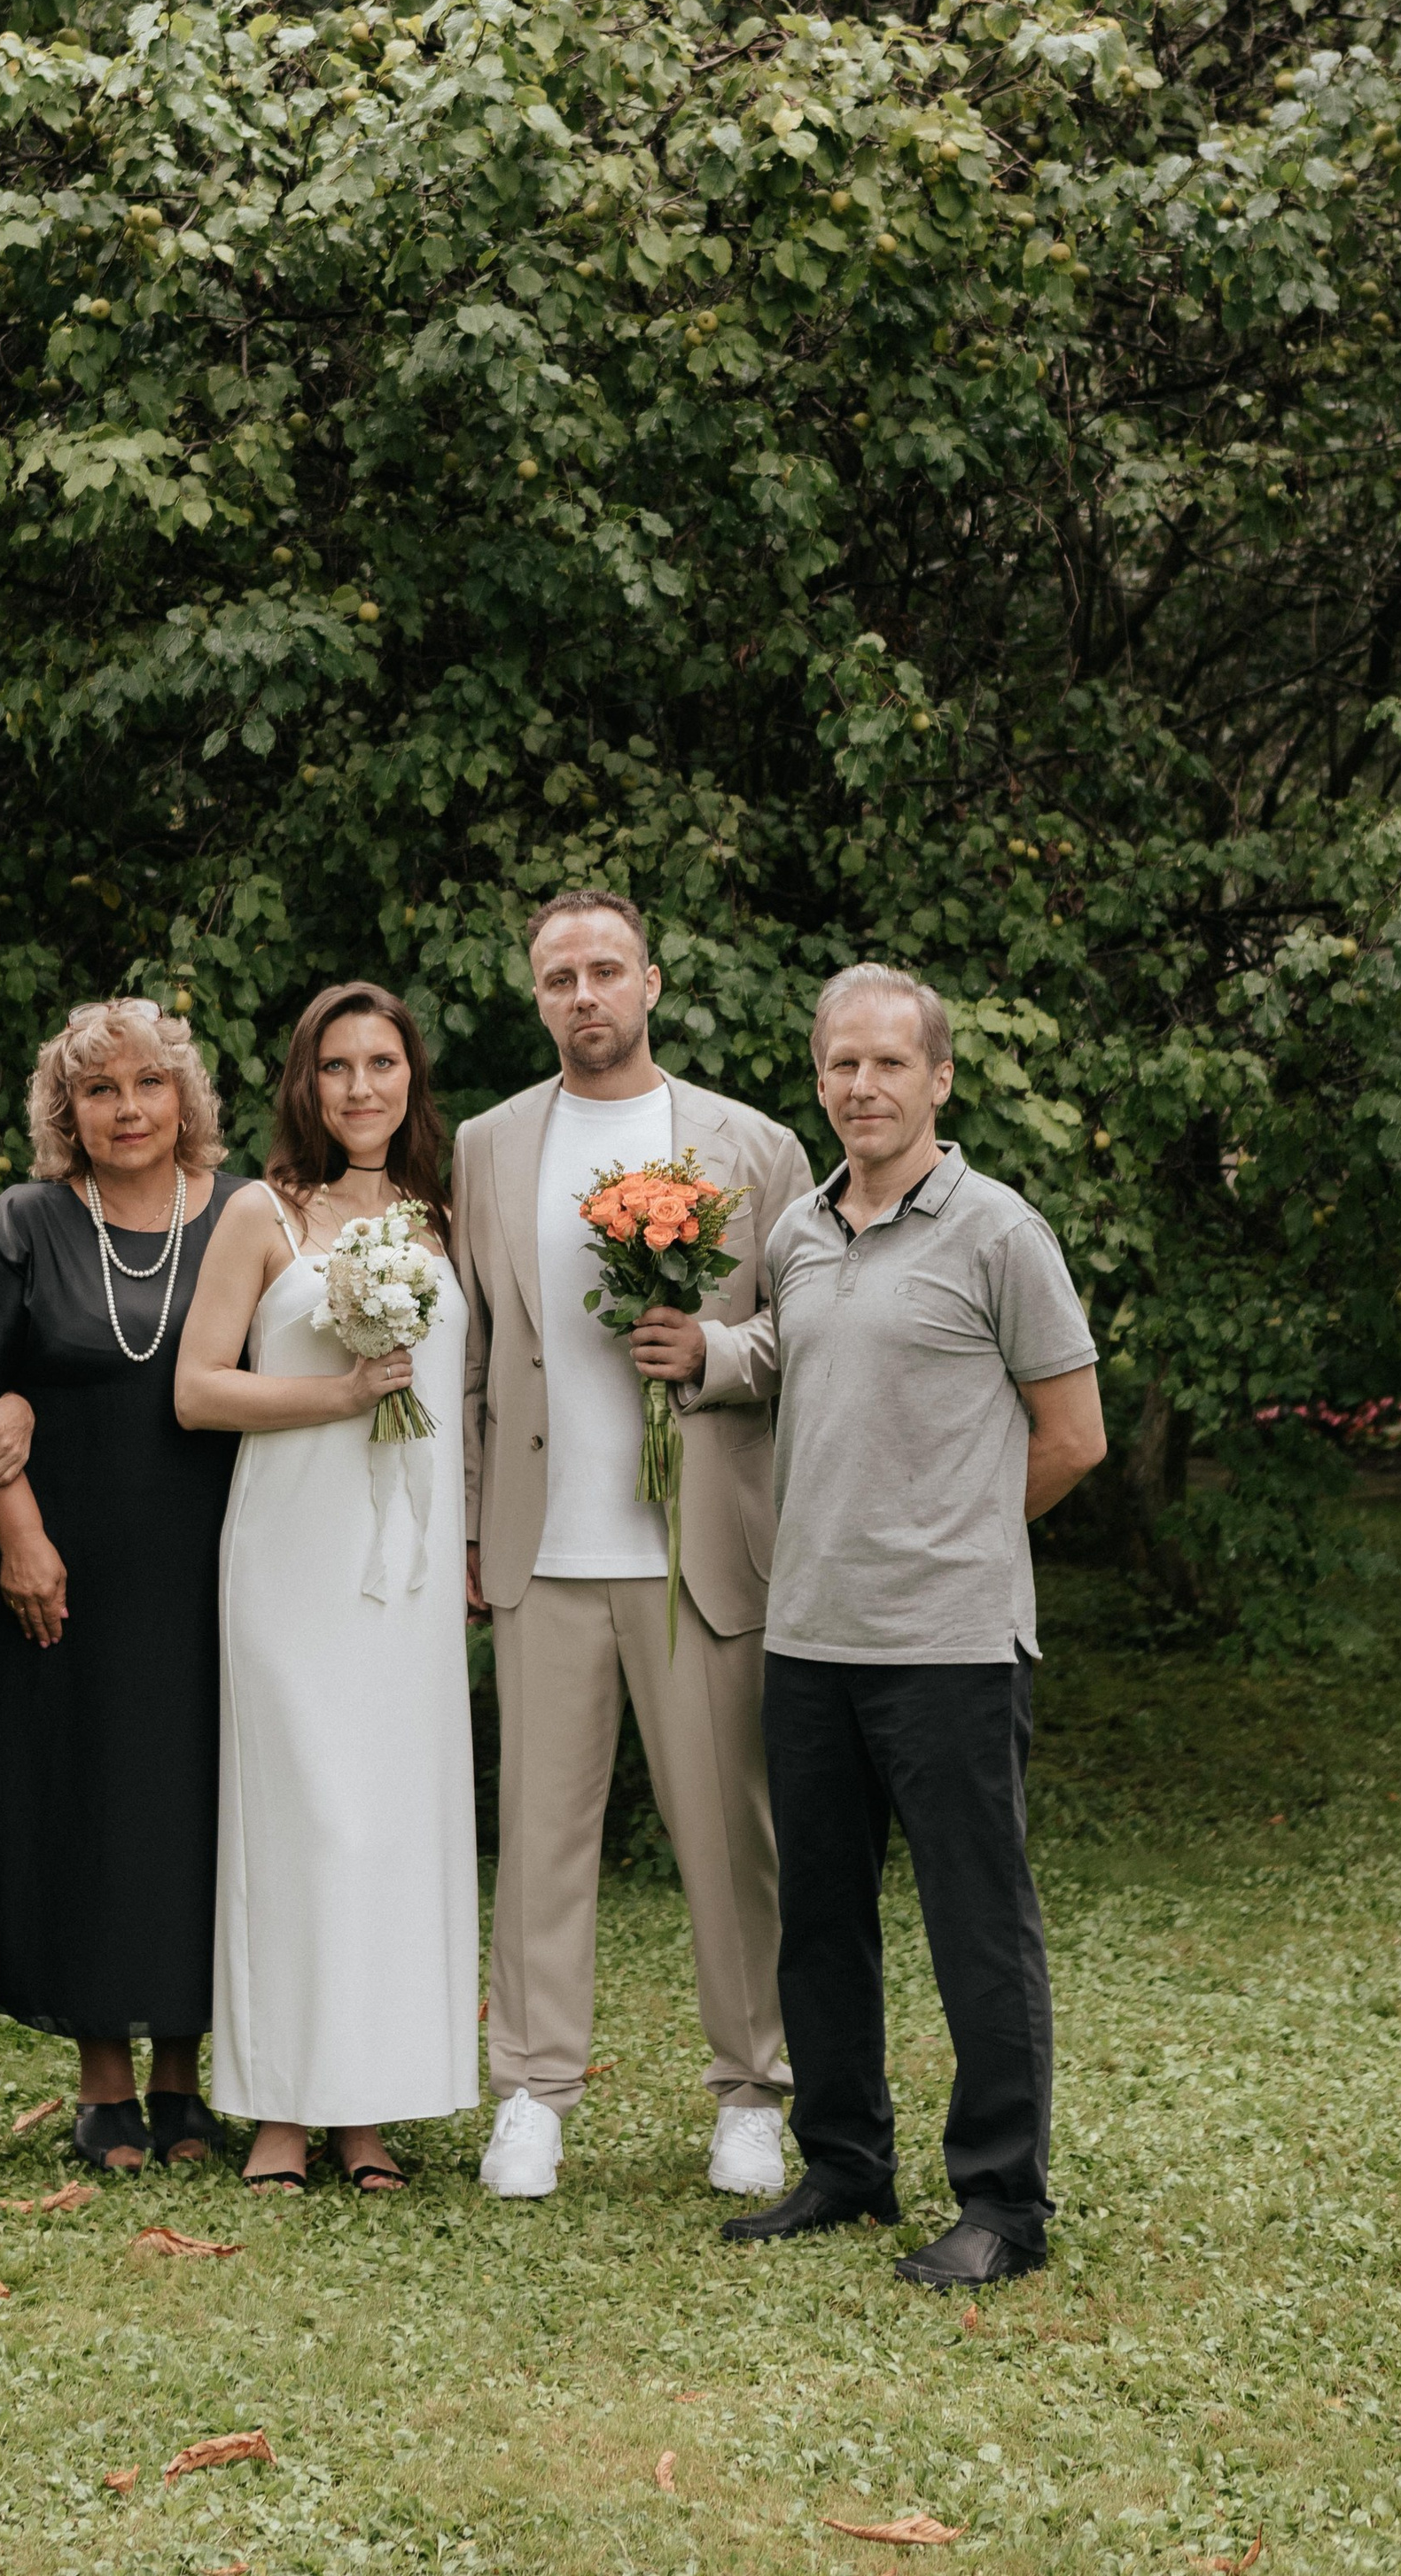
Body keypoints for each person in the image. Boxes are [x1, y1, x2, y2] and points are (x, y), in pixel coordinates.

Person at [722, 962, 1105, 2289]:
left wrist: (959, 1535)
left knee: (976, 1929)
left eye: (890, 1062)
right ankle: (846, 2167)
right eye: (842, 1062)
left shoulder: (1000, 1231)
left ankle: (1003, 2204)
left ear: (939, 1078)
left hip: (948, 1647)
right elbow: (793, 1368)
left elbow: (1075, 1436)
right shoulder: (798, 1230)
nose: (863, 1085)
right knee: (820, 1922)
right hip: (807, 1638)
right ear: (819, 1077)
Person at [454, 888, 813, 2205]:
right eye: (561, 977)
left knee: (730, 1839)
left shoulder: (752, 1143)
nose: (585, 995)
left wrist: (713, 1351)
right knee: (538, 1839)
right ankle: (532, 2094)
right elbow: (475, 1351)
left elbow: (813, 1325)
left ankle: (752, 2095)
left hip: (700, 1553)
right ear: (537, 995)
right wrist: (470, 1525)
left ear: (651, 983)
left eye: (607, 970)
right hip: (542, 1549)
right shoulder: (489, 1145)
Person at [0, 1000, 244, 2173]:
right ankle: (104, 2083)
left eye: (149, 1083)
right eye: (98, 1090)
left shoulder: (246, 1213)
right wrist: (20, 1537)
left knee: (197, 1806)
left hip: (217, 1560)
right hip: (62, 1569)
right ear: (66, 1112)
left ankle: (183, 2080)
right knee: (89, 1805)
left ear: (185, 1096)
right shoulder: (25, 1222)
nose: (127, 1109)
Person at [175, 983, 477, 2193]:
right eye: (337, 1066)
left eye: (383, 1064)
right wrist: (339, 1394)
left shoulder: (441, 1215)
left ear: (412, 1080)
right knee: (298, 1822)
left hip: (408, 1568)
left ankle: (368, 2113)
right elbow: (198, 1390)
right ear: (306, 1083)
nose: (361, 1087)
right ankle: (279, 2113)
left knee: (391, 1828)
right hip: (293, 1552)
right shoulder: (263, 1212)